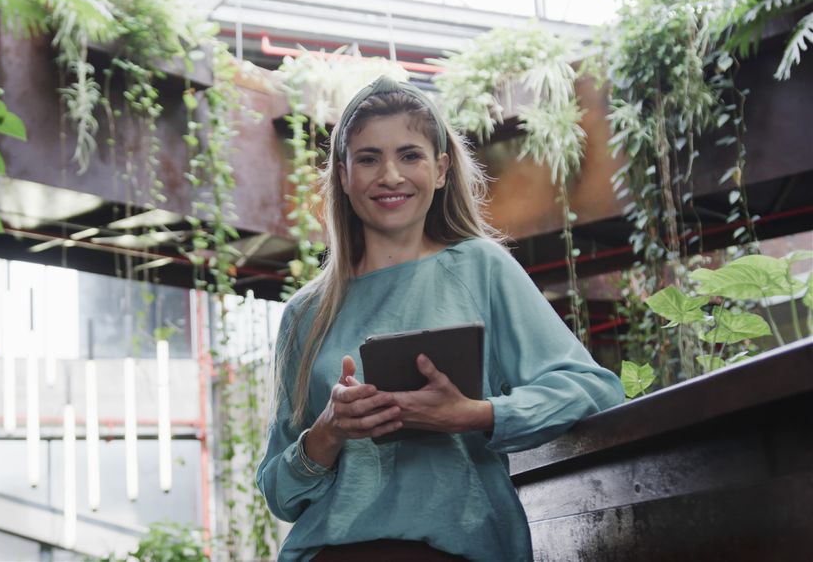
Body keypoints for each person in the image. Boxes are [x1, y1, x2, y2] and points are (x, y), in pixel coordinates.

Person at [256, 76, 625, 562]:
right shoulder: (305, 312)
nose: (390, 175)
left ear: (441, 170)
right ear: (343, 177)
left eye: (410, 155)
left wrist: (475, 415)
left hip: (457, 549)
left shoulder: (481, 267)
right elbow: (280, 494)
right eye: (368, 158)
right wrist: (328, 431)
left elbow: (593, 389)